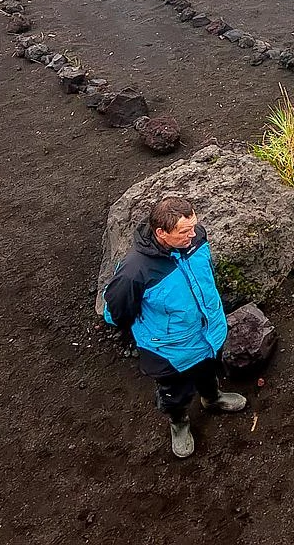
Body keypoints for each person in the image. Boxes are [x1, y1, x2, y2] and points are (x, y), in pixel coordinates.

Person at [102, 195, 246, 458]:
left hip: (209, 333)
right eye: (184, 231)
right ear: (161, 233)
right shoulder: (135, 271)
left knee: (208, 370)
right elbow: (115, 312)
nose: (193, 234)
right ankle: (179, 422)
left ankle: (212, 398)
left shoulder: (197, 238)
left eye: (193, 226)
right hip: (170, 350)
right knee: (174, 392)